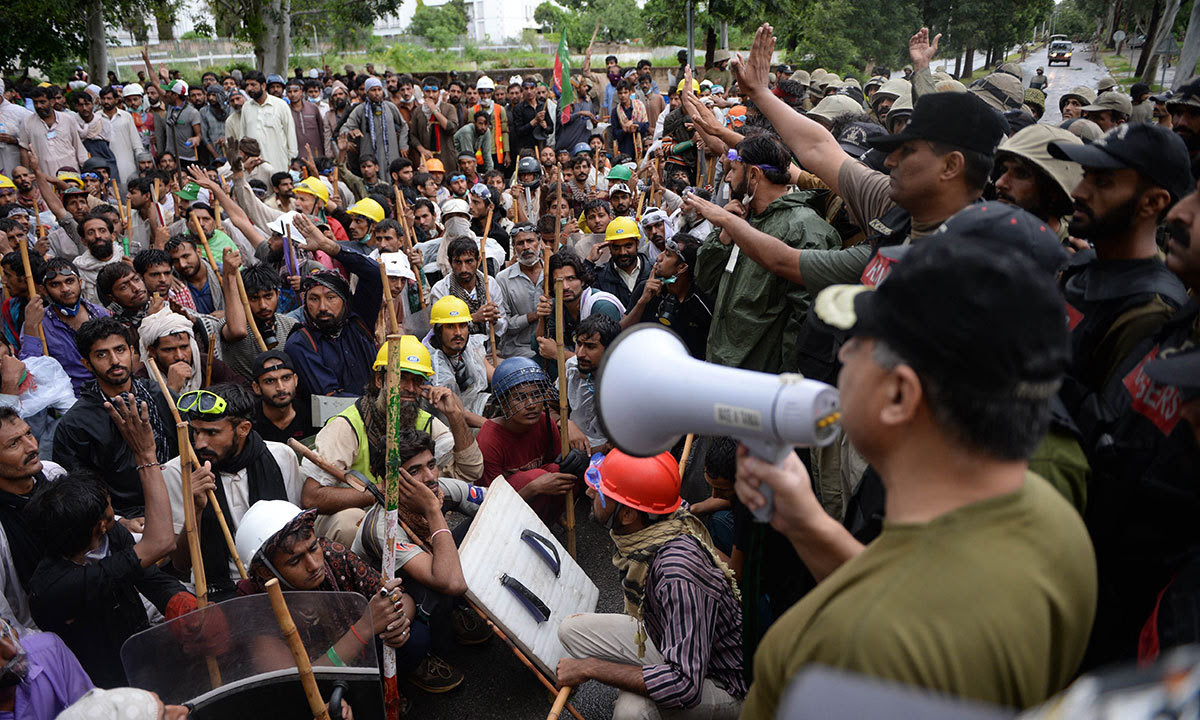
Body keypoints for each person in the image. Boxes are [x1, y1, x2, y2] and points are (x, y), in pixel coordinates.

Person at [741, 230, 1096, 715]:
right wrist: (811, 527)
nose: (841, 354)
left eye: (858, 342)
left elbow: (894, 616)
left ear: (899, 396)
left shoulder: (836, 652)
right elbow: (917, 591)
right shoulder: (1053, 518)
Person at [556, 450, 745, 719]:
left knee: (632, 711)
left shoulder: (675, 574)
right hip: (672, 640)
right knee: (570, 630)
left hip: (720, 681)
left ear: (628, 515)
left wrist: (591, 668)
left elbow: (685, 686)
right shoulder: (660, 526)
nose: (589, 493)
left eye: (600, 489)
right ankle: (643, 682)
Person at [28, 395, 193, 688]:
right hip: (101, 685)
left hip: (144, 659)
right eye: (108, 516)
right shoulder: (57, 586)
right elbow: (161, 543)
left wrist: (176, 600)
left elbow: (145, 574)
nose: (114, 518)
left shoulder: (110, 534)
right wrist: (145, 456)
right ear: (96, 529)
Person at [233, 500, 442, 707]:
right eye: (295, 561)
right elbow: (295, 685)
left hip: (359, 661)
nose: (314, 565)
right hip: (317, 693)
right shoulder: (255, 607)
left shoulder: (332, 554)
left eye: (313, 547)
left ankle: (379, 694)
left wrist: (397, 621)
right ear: (265, 571)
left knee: (415, 637)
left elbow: (402, 599)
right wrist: (365, 627)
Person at [1049, 123, 1192, 399]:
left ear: (1151, 203)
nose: (1078, 191)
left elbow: (1105, 424)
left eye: (1102, 181)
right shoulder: (1082, 267)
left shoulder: (1149, 309)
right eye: (1085, 175)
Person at [299, 338, 482, 545]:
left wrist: (456, 416)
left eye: (418, 381)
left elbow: (471, 472)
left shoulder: (424, 421)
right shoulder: (347, 425)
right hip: (363, 517)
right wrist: (383, 491)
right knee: (348, 521)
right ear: (380, 380)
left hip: (409, 516)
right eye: (402, 378)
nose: (411, 388)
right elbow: (311, 498)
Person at [695, 134, 840, 372]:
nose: (728, 178)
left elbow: (805, 326)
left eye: (734, 170)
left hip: (761, 385)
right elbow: (705, 281)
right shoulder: (741, 218)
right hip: (723, 371)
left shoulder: (804, 230)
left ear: (754, 175)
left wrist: (784, 389)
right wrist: (724, 235)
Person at [161, 382, 304, 602]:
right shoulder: (176, 472)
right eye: (196, 431)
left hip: (281, 580)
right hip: (214, 593)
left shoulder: (281, 457)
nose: (199, 443)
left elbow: (295, 530)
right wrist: (195, 509)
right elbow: (181, 563)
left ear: (243, 429)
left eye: (212, 433)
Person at [351, 428, 488, 651]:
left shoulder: (439, 488)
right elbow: (452, 582)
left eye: (431, 465)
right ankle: (432, 649)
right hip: (395, 600)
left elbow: (496, 504)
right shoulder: (383, 528)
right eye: (415, 471)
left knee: (481, 530)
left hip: (428, 571)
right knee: (416, 639)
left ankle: (453, 612)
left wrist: (531, 489)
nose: (430, 477)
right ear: (388, 481)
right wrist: (433, 511)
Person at [53, 317, 176, 518]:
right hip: (128, 516)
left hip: (178, 498)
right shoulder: (76, 424)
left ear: (132, 351)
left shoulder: (161, 395)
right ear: (87, 364)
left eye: (120, 350)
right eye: (102, 354)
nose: (115, 361)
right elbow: (80, 491)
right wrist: (118, 522)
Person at [476, 357, 585, 525]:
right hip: (503, 512)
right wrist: (533, 487)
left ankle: (546, 524)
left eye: (535, 395)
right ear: (503, 403)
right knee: (537, 476)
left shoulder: (545, 422)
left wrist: (576, 460)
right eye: (520, 398)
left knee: (564, 473)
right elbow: (490, 502)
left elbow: (556, 464)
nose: (531, 404)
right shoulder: (488, 440)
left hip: (535, 500)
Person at [283, 220, 382, 396]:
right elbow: (330, 397)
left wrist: (330, 247)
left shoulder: (358, 322)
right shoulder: (300, 343)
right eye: (314, 299)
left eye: (331, 298)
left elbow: (374, 273)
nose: (322, 307)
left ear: (344, 301)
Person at [0, 407, 67, 633]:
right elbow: (7, 622)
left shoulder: (52, 474)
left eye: (28, 434)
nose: (32, 446)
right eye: (13, 444)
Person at [21, 260, 108, 397]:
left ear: (80, 283)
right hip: (69, 400)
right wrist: (31, 327)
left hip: (109, 392)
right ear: (43, 290)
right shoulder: (38, 323)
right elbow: (30, 371)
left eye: (69, 281)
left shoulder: (100, 314)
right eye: (55, 284)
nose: (65, 289)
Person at [533, 249, 624, 372]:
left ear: (582, 280)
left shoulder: (602, 306)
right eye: (557, 281)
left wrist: (558, 354)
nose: (565, 287)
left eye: (571, 279)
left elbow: (606, 359)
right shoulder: (557, 305)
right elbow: (538, 346)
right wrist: (542, 318)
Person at [624, 233, 712, 359]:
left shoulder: (701, 304)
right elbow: (621, 332)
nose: (659, 258)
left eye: (667, 254)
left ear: (681, 268)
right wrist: (642, 302)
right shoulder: (646, 289)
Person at [992, 124, 1083, 236]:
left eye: (1021, 174)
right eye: (1004, 170)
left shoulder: (1065, 251)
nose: (1000, 183)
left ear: (1055, 190)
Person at [136, 307, 243, 397]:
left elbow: (244, 390)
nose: (180, 356)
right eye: (169, 350)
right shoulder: (143, 380)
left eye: (184, 347)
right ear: (152, 351)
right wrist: (172, 389)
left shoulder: (206, 363)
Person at [425, 296, 493, 427]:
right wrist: (493, 427)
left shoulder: (470, 346)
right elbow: (458, 411)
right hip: (448, 420)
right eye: (450, 327)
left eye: (462, 326)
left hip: (473, 404)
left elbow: (494, 375)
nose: (458, 333)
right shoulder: (432, 361)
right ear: (438, 331)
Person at [429, 236, 506, 340]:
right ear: (450, 262)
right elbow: (440, 330)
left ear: (478, 261)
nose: (463, 269)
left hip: (487, 350)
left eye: (469, 261)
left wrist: (494, 319)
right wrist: (473, 318)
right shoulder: (441, 290)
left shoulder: (490, 284)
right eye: (458, 262)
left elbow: (503, 326)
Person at [564, 313, 619, 453]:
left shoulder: (626, 385)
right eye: (579, 344)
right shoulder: (572, 368)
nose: (580, 353)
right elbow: (551, 406)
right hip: (570, 440)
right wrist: (566, 424)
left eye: (590, 346)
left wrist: (587, 453)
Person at [496, 223, 544, 359]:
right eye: (520, 243)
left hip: (551, 346)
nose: (526, 247)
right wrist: (534, 316)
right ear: (514, 248)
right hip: (518, 350)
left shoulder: (552, 272)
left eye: (530, 241)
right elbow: (503, 325)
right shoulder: (503, 279)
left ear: (539, 243)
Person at [341, 77, 408, 171]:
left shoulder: (390, 107)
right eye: (373, 90)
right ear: (367, 92)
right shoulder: (360, 110)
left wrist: (403, 145)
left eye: (379, 90)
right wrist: (351, 132)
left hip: (391, 155)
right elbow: (344, 128)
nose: (377, 93)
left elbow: (404, 125)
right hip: (370, 158)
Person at [234, 71, 296, 172]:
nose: (249, 88)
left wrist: (291, 160)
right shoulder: (246, 107)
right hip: (254, 166)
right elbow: (243, 136)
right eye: (247, 85)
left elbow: (290, 133)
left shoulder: (280, 105)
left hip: (278, 163)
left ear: (263, 86)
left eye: (253, 85)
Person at [18, 87, 87, 174]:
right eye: (35, 103)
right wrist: (26, 173)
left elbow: (77, 145)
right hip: (44, 175)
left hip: (70, 174)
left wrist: (86, 168)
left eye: (42, 102)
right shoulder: (27, 122)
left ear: (52, 102)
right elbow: (24, 150)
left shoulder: (67, 119)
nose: (39, 106)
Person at [250, 349, 311, 443]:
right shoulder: (249, 424)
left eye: (286, 378)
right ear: (256, 387)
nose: (281, 388)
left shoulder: (310, 415)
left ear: (295, 380)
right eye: (270, 381)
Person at [591, 217, 651, 310]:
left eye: (628, 246)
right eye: (616, 247)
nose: (623, 252)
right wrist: (589, 261)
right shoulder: (600, 277)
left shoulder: (654, 270)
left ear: (637, 244)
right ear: (609, 247)